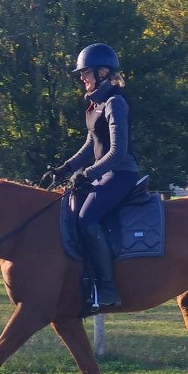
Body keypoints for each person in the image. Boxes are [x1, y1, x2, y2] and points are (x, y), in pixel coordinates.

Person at [45, 43, 139, 313]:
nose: (82, 78)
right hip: (102, 173)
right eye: (82, 74)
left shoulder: (115, 103)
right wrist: (63, 169)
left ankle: (108, 289)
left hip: (121, 174)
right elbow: (91, 146)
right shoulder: (93, 106)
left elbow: (118, 153)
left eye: (85, 72)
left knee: (87, 220)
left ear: (102, 72)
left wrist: (87, 174)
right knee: (68, 212)